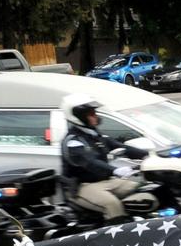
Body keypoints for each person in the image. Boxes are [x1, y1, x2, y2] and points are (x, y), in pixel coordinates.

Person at [59, 93, 149, 223]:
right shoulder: (73, 142)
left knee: (142, 187)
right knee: (112, 204)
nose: (96, 116)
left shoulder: (96, 135)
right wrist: (115, 170)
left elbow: (122, 147)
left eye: (94, 113)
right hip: (82, 187)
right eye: (91, 114)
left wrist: (149, 155)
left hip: (106, 181)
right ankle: (121, 239)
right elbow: (90, 162)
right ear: (79, 116)